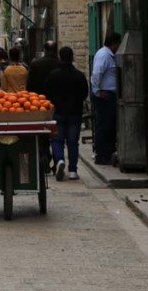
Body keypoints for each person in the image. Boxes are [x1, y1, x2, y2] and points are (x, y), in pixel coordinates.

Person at [45, 46, 89, 181]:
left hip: (57, 112)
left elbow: (47, 93)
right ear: (72, 57)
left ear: (60, 57)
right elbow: (84, 94)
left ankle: (59, 160)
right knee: (73, 142)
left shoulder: (53, 75)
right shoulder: (79, 75)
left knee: (57, 140)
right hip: (74, 113)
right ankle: (72, 171)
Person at [91, 31, 121, 165]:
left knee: (109, 125)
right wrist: (97, 91)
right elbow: (97, 74)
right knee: (104, 125)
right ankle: (102, 154)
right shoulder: (104, 55)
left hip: (109, 95)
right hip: (105, 96)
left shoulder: (108, 55)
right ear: (114, 44)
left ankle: (108, 152)